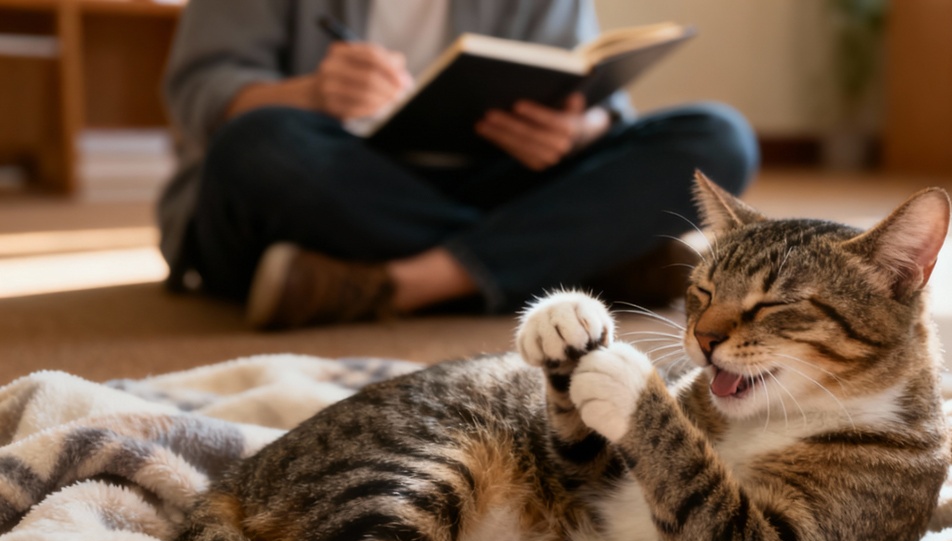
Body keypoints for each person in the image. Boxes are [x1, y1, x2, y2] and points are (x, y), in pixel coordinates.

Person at [157, 0, 759, 329]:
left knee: (719, 136)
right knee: (258, 147)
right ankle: (573, 255)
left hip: (494, 178)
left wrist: (573, 130)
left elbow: (606, 108)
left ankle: (404, 284)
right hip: (338, 180)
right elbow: (200, 89)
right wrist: (311, 93)